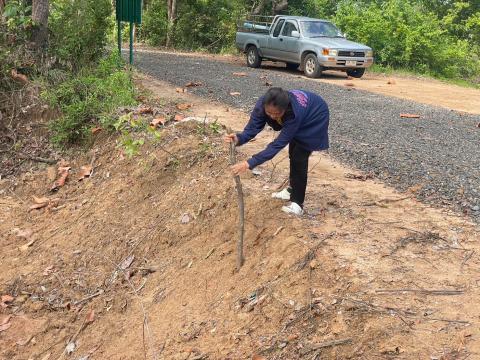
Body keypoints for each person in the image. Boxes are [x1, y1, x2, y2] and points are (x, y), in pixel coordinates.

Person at [224, 87, 330, 215]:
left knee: (299, 157)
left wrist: (250, 163)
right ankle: (291, 189)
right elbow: (253, 126)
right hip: (303, 113)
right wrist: (239, 138)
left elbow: (277, 145)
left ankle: (297, 203)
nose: (273, 117)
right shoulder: (263, 104)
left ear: (285, 109)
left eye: (277, 114)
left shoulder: (294, 113)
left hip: (314, 117)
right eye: (269, 113)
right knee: (293, 154)